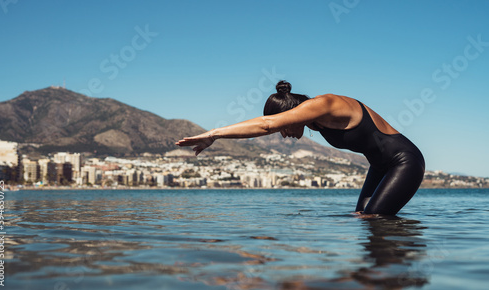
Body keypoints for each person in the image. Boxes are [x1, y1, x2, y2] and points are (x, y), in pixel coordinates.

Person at [176, 81, 425, 215]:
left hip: (403, 162)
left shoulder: (325, 104)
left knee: (375, 219)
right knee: (362, 217)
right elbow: (265, 123)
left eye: (284, 127)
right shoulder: (316, 121)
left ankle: (395, 279)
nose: (284, 134)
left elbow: (265, 125)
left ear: (292, 114)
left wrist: (214, 134)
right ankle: (381, 279)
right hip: (380, 166)